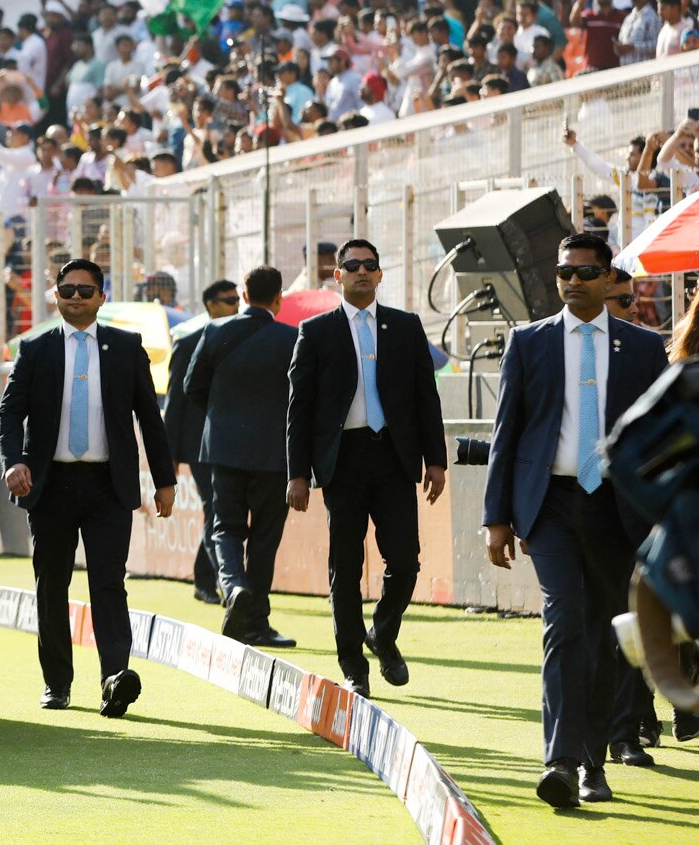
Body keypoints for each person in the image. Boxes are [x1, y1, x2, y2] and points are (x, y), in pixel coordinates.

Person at [482, 234, 668, 809]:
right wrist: (496, 518)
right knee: (564, 623)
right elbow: (506, 434)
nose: (572, 282)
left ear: (611, 279)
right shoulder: (528, 343)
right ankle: (559, 760)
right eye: (564, 272)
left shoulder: (642, 348)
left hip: (620, 509)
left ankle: (594, 762)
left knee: (607, 638)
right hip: (552, 505)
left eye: (585, 273)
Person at [0, 258, 174, 718]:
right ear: (55, 296)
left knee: (109, 583)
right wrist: (13, 461)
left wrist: (165, 480)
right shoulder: (34, 349)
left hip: (107, 486)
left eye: (85, 290)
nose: (75, 298)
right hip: (49, 484)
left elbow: (149, 419)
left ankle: (114, 679)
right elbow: (9, 412)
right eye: (67, 290)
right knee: (51, 584)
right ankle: (57, 682)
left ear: (102, 296)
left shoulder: (126, 346)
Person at [285, 237, 447, 699]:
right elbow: (300, 407)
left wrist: (435, 459)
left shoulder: (406, 326)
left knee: (405, 560)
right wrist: (297, 473)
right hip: (343, 461)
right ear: (337, 275)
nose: (360, 271)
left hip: (395, 458)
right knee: (347, 566)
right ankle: (353, 665)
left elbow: (425, 398)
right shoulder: (315, 332)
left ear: (380, 274)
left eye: (369, 265)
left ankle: (383, 633)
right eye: (351, 265)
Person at [184, 265, 299, 648]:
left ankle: (232, 587)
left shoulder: (216, 331)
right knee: (265, 539)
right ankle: (257, 622)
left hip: (225, 451)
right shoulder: (292, 338)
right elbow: (303, 400)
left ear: (244, 297)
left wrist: (221, 416)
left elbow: (191, 386)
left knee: (226, 527)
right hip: (274, 455)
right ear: (279, 299)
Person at [165, 280, 240, 605]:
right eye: (228, 300)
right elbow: (176, 402)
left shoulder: (243, 340)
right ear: (211, 304)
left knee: (220, 510)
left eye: (238, 299)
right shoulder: (189, 342)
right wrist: (169, 455)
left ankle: (204, 579)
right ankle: (228, 583)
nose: (235, 305)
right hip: (198, 444)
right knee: (215, 507)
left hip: (232, 442)